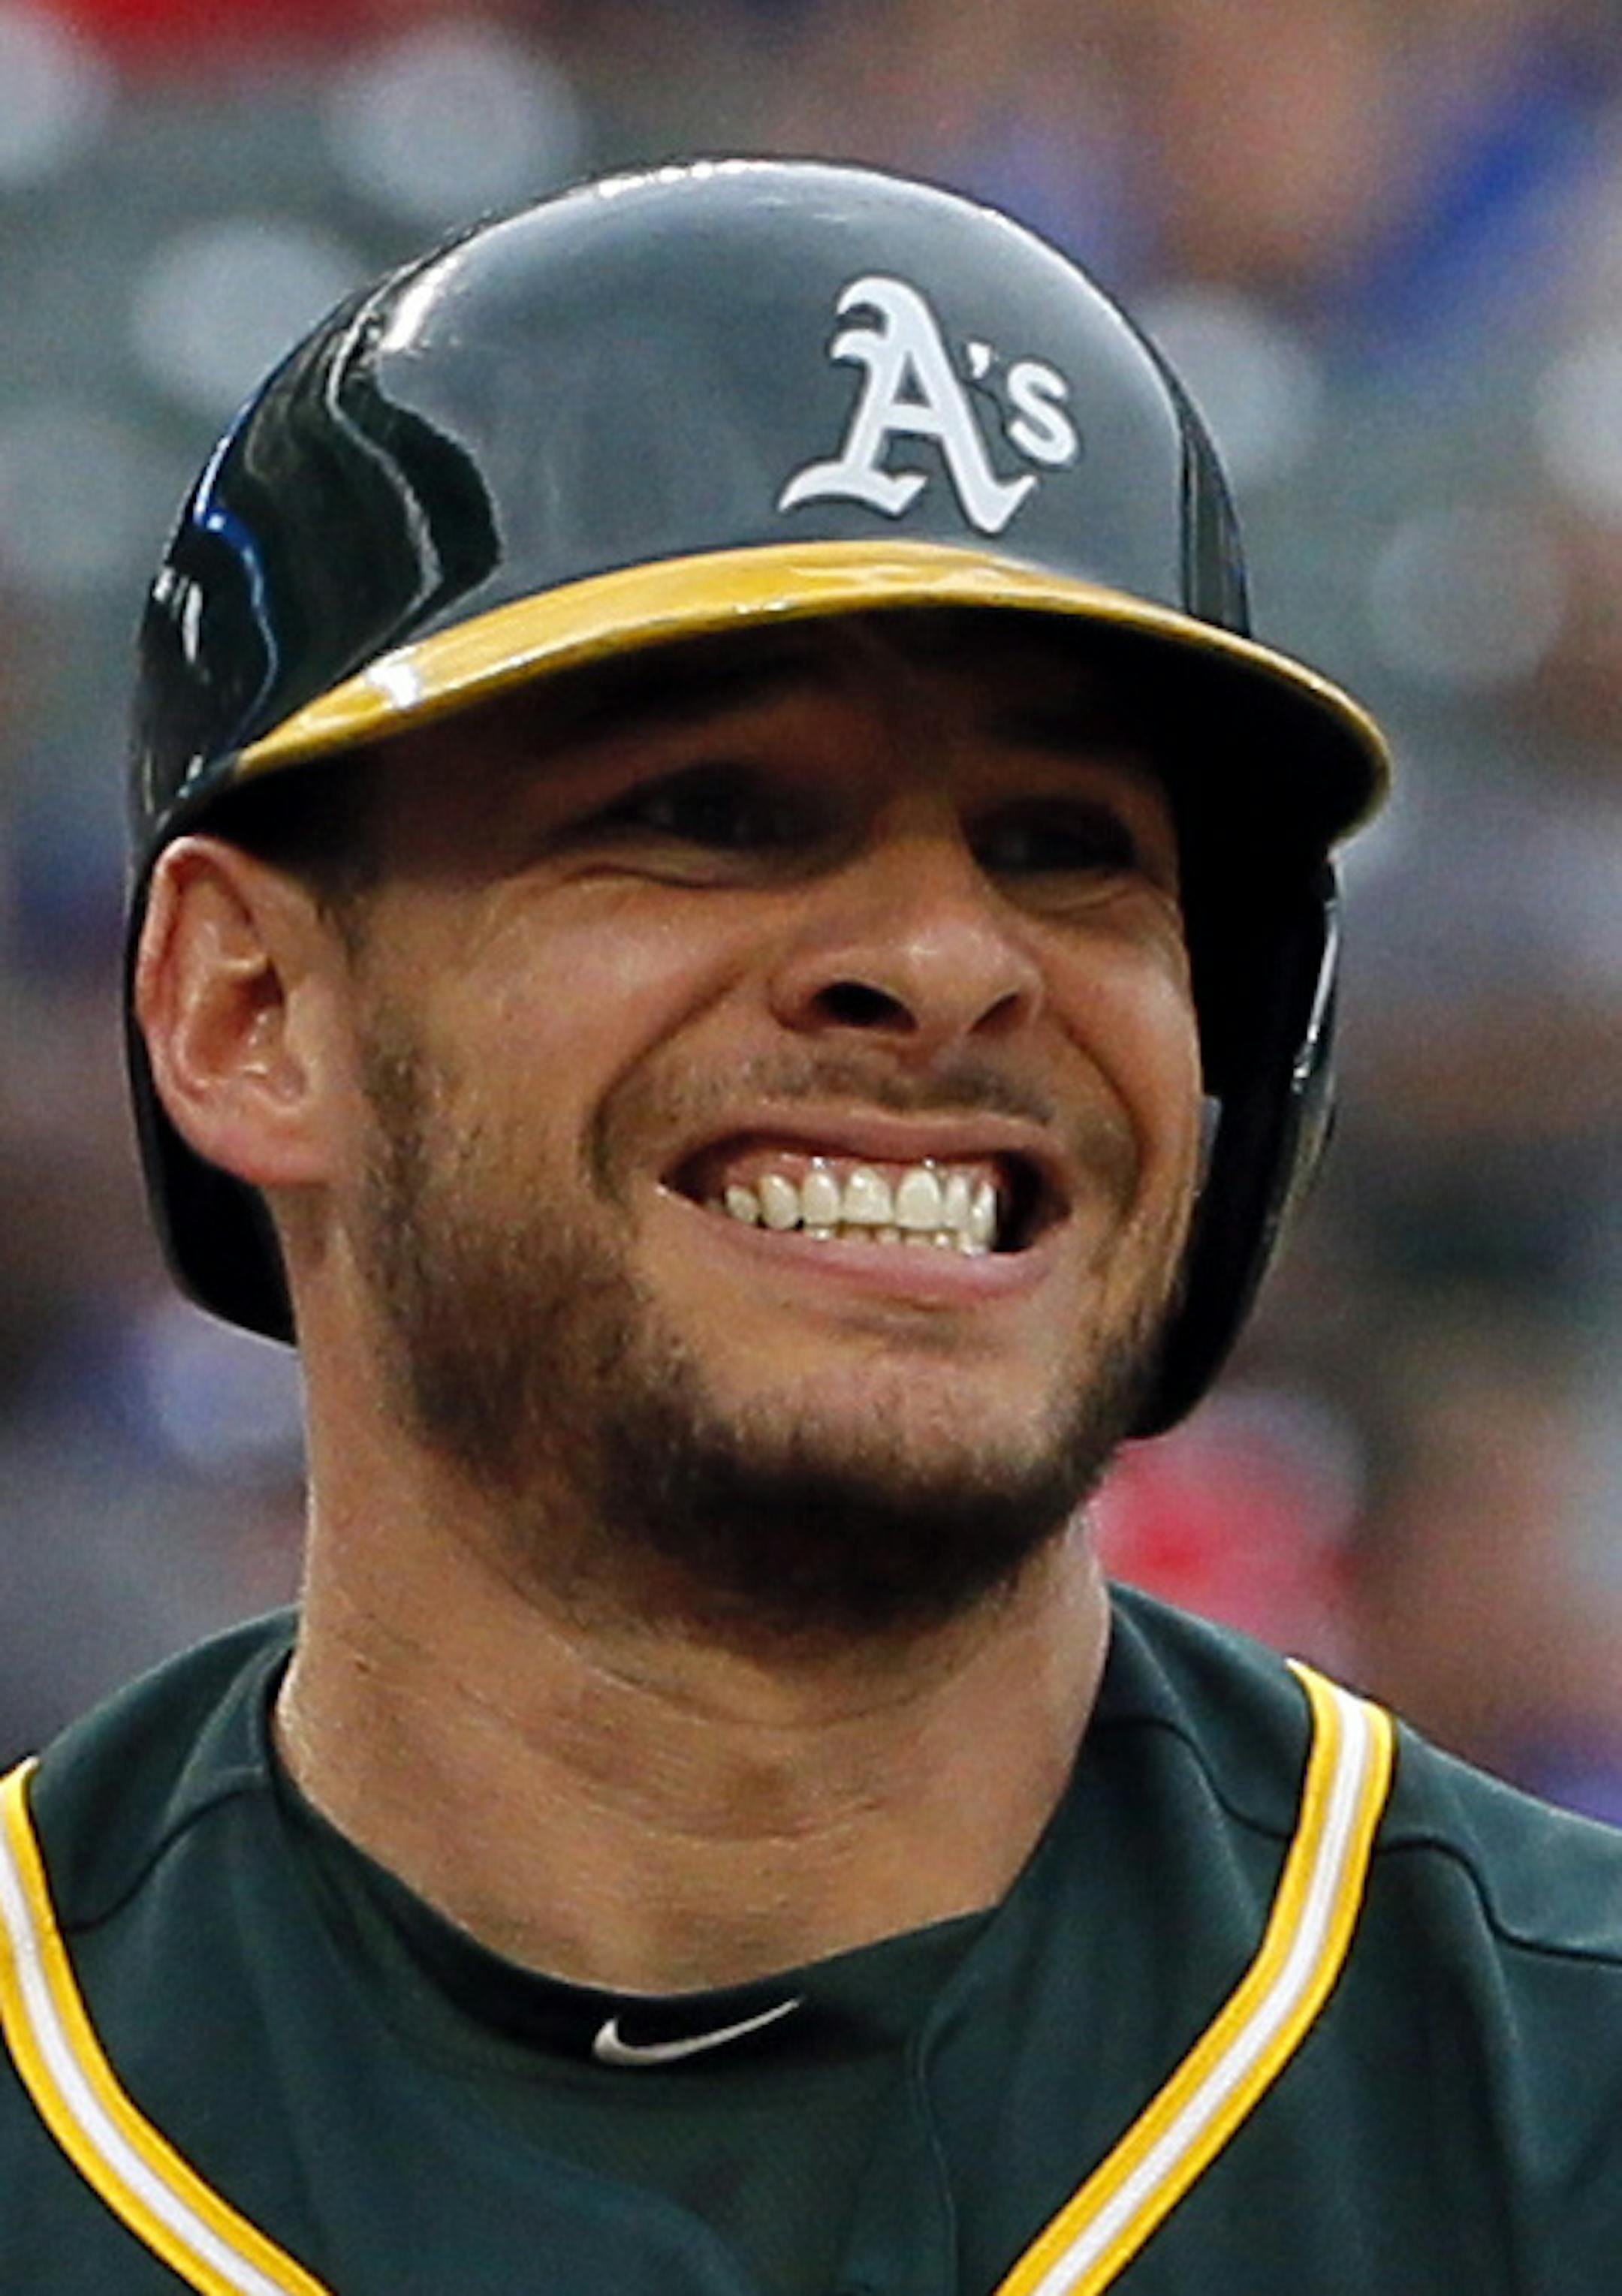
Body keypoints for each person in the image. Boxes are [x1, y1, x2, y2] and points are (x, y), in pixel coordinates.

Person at [1, 158, 1617, 2296]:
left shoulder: (1564, 2113)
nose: (948, 958)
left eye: (1068, 846)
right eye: (706, 813)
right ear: (249, 1009)